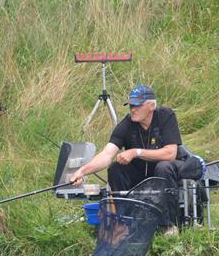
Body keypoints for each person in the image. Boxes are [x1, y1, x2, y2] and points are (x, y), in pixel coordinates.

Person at [70, 84, 185, 234]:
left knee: (163, 166)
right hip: (139, 173)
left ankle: (168, 226)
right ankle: (125, 223)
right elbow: (106, 155)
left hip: (166, 172)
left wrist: (136, 152)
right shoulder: (126, 124)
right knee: (116, 168)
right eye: (131, 105)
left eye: (137, 105)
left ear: (151, 106)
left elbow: (170, 153)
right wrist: (82, 171)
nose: (133, 109)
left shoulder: (166, 116)